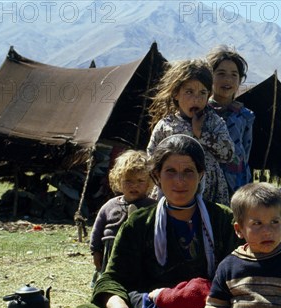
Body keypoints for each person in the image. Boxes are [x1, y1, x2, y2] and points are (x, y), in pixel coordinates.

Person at [71, 135, 241, 308]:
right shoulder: (139, 223)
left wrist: (218, 305)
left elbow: (244, 274)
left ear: (201, 175)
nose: (179, 181)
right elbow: (112, 278)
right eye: (170, 171)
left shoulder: (222, 219)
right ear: (156, 176)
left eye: (188, 172)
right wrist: (119, 307)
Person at [147, 59, 235, 205]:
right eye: (189, 92)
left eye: (202, 93)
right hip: (173, 188)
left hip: (209, 191)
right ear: (176, 94)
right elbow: (151, 158)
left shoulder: (214, 122)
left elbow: (228, 154)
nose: (196, 99)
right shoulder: (166, 125)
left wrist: (202, 134)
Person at [89, 150, 156, 287]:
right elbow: (97, 229)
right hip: (111, 250)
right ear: (118, 181)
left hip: (139, 252)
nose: (134, 185)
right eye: (128, 181)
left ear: (149, 183)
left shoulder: (152, 207)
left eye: (140, 181)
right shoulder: (110, 206)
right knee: (111, 280)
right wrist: (96, 251)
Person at [207, 45, 255, 196]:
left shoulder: (245, 116)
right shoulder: (201, 112)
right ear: (209, 77)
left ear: (240, 80)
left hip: (238, 182)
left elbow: (245, 153)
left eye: (234, 75)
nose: (227, 79)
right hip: (207, 181)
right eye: (220, 73)